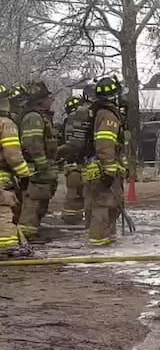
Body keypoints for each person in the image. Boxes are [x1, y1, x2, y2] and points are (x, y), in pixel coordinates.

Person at [84, 76, 126, 247]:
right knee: (103, 206)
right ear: (113, 96)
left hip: (96, 166)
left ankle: (105, 239)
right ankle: (99, 243)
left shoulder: (98, 112)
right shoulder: (108, 115)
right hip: (103, 168)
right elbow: (105, 143)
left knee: (107, 206)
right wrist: (109, 170)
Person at [17, 81, 57, 239]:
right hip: (36, 169)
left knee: (40, 201)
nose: (50, 100)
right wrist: (42, 164)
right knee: (32, 203)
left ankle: (32, 232)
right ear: (39, 100)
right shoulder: (33, 117)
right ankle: (27, 235)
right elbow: (32, 143)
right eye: (47, 97)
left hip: (42, 167)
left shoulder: (40, 116)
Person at [0, 85, 31, 257]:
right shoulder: (6, 124)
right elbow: (13, 155)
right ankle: (6, 247)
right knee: (3, 209)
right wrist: (24, 174)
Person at [58, 85, 95, 225]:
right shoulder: (81, 118)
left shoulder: (68, 121)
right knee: (85, 191)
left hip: (71, 164)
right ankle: (86, 219)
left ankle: (71, 217)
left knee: (74, 193)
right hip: (80, 162)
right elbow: (77, 143)